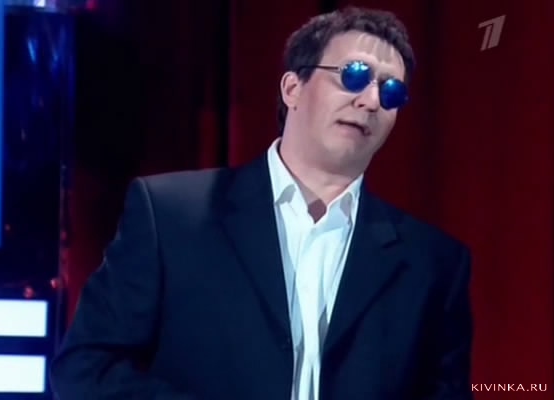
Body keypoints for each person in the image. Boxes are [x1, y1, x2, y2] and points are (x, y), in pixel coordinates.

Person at [50, 6, 473, 400]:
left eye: (392, 91)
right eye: (354, 75)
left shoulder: (432, 263)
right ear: (292, 88)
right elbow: (86, 370)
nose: (371, 101)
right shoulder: (172, 216)